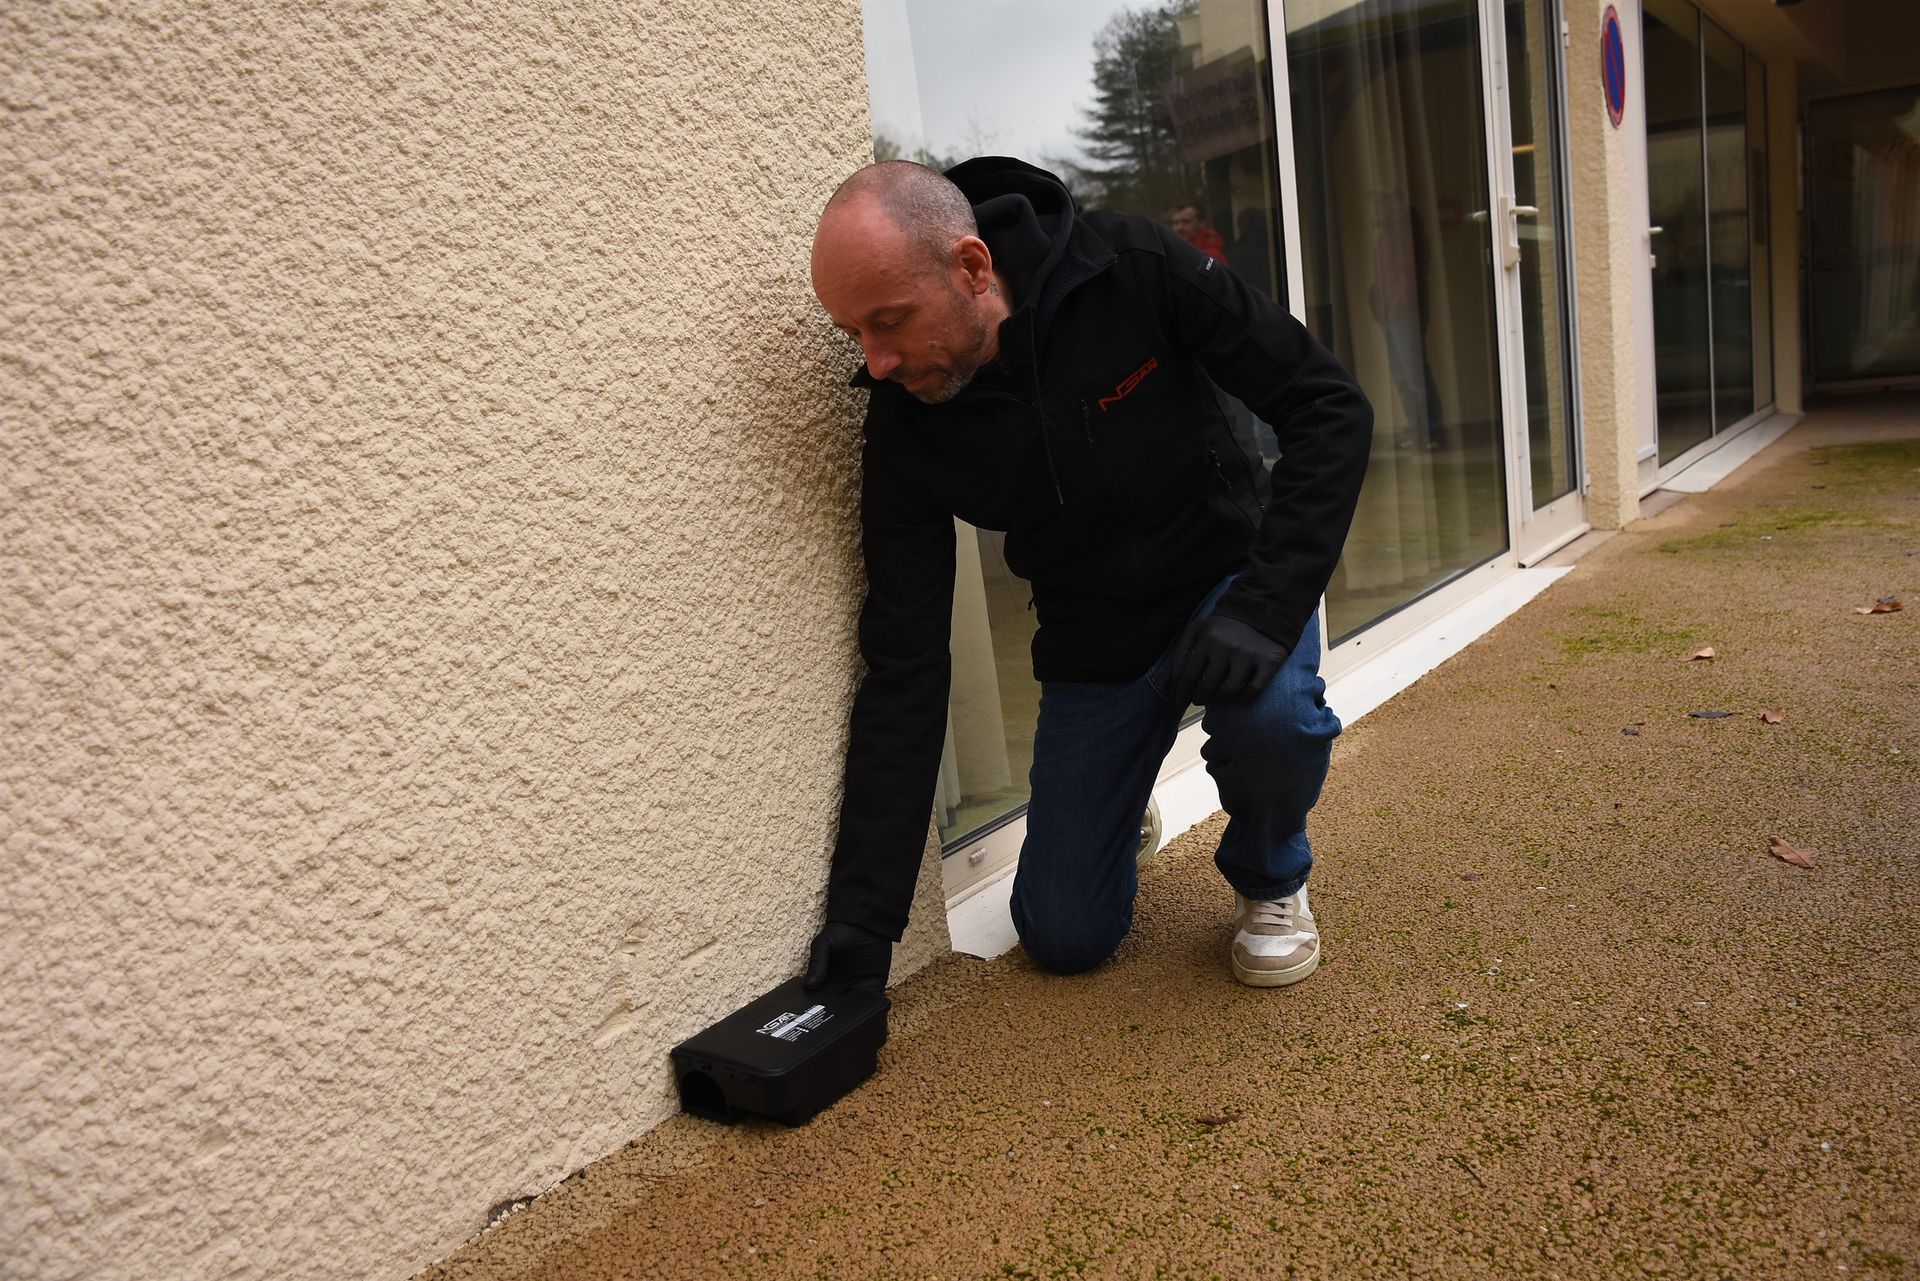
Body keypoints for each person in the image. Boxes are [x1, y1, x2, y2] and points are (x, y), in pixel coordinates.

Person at [802, 158, 1372, 996]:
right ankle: (1117, 805)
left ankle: (1271, 876)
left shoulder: (1129, 266)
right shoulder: (906, 427)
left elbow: (1328, 406)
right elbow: (904, 661)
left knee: (1275, 724)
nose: (875, 362)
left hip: (1229, 585)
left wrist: (1265, 605)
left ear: (972, 267)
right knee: (1064, 933)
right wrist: (863, 922)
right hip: (1095, 638)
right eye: (854, 333)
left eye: (889, 321)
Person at [1169, 202, 1230, 266]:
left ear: (1202, 223)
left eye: (1186, 222)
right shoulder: (1177, 250)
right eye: (1176, 223)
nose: (1180, 228)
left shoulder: (1210, 254)